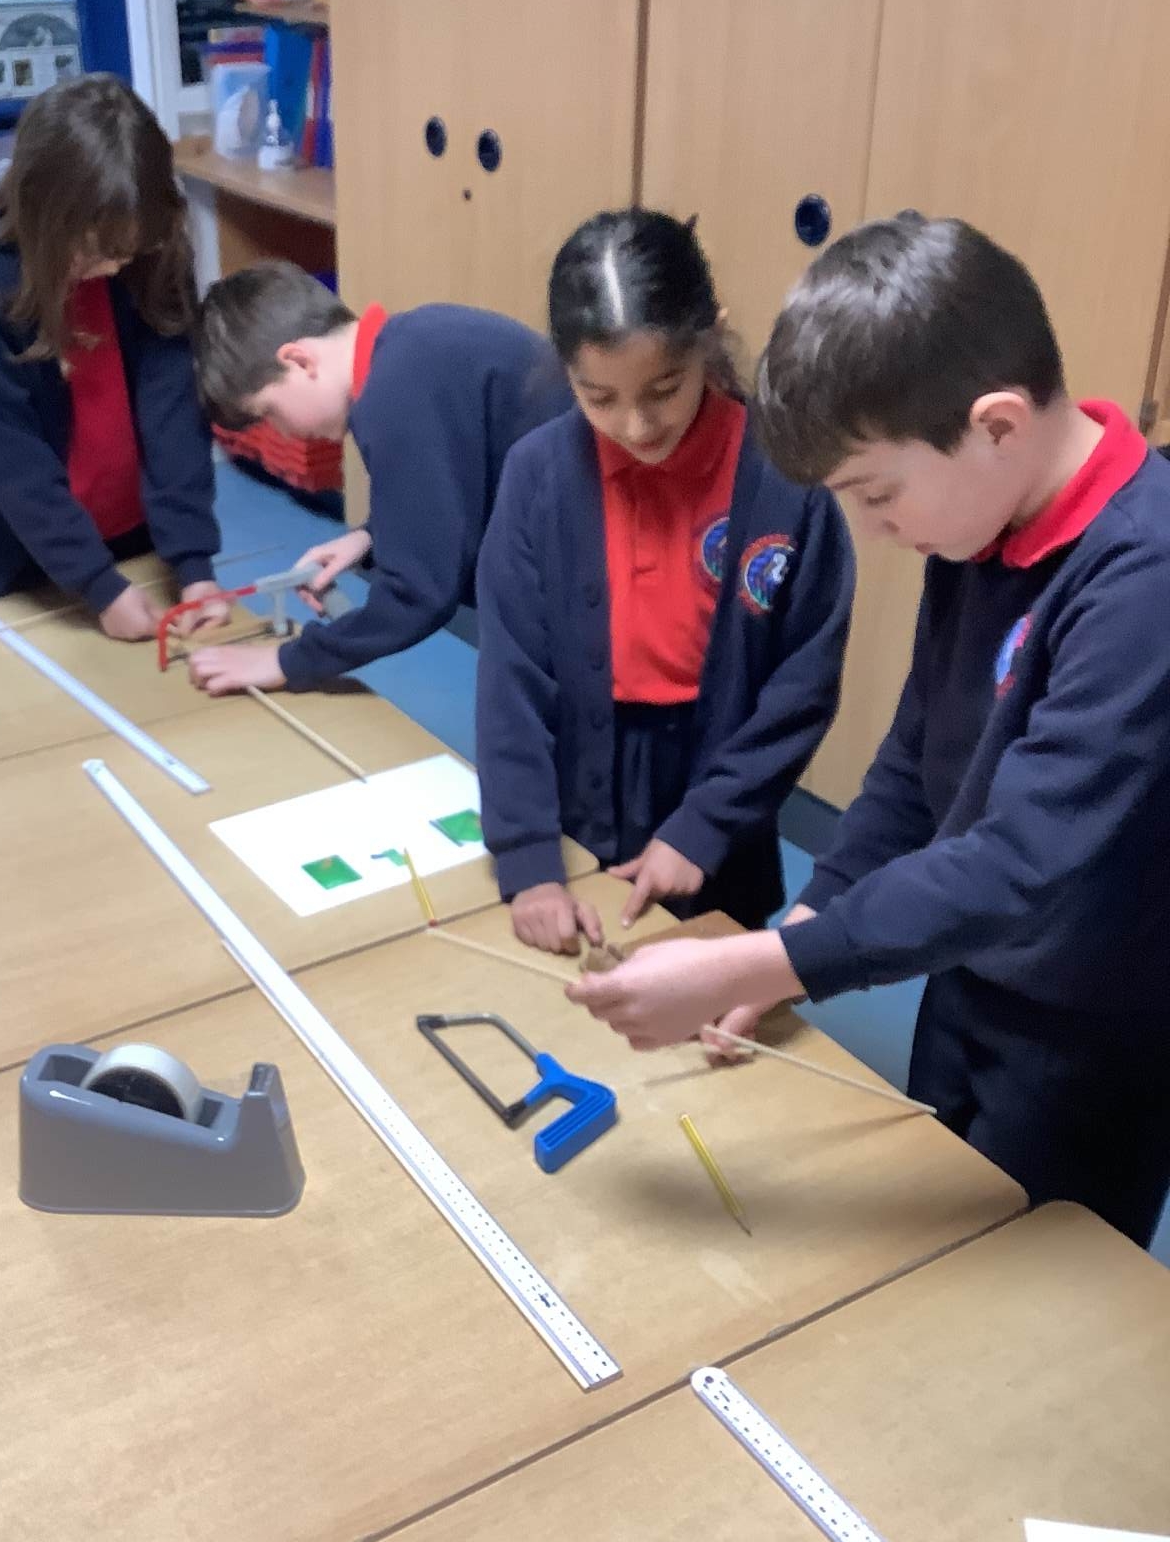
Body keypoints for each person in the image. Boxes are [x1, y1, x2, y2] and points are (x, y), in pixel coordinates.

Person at [568, 213, 1170, 1246]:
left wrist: (760, 966)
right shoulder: (983, 521)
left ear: (997, 426)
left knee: (1038, 1280)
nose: (879, 532)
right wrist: (806, 925)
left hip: (1094, 1028)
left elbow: (1018, 865)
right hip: (967, 966)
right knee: (937, 1225)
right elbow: (912, 766)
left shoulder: (1144, 579)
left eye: (879, 495)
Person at [477, 208, 854, 954]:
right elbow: (511, 677)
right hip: (583, 786)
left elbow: (801, 686)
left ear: (710, 338)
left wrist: (706, 825)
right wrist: (528, 862)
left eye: (664, 389)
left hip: (723, 788)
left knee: (709, 994)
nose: (637, 425)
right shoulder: (537, 475)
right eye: (600, 398)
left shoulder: (785, 481)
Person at [0, 74, 224, 641]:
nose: (113, 267)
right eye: (96, 250)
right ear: (43, 212)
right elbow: (11, 453)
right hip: (23, 553)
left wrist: (193, 565)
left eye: (128, 249)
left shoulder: (151, 256)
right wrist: (97, 586)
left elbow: (174, 412)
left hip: (138, 538)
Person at [185, 261, 570, 694]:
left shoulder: (392, 401)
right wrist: (370, 538)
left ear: (299, 361)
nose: (283, 433)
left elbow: (419, 594)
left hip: (586, 591)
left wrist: (286, 661)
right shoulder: (411, 344)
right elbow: (457, 492)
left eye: (269, 412)